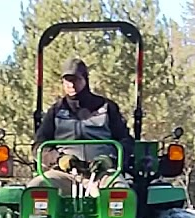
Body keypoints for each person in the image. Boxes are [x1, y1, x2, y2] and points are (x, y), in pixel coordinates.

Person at [29, 57, 134, 196]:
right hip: (64, 174)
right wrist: (59, 159)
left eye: (76, 79)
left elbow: (126, 141)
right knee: (36, 188)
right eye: (67, 80)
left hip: (102, 173)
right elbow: (39, 146)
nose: (71, 85)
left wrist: (109, 159)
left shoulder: (106, 107)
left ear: (85, 79)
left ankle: (119, 217)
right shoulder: (56, 111)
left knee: (119, 191)